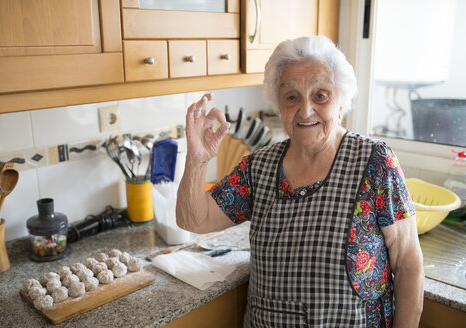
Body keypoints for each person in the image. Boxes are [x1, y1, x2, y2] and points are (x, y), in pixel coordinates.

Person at [176, 36, 424, 327]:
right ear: (280, 106)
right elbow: (194, 220)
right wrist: (197, 158)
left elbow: (408, 265)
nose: (305, 110)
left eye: (320, 95)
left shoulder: (375, 163)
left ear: (341, 103)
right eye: (292, 97)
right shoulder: (258, 167)